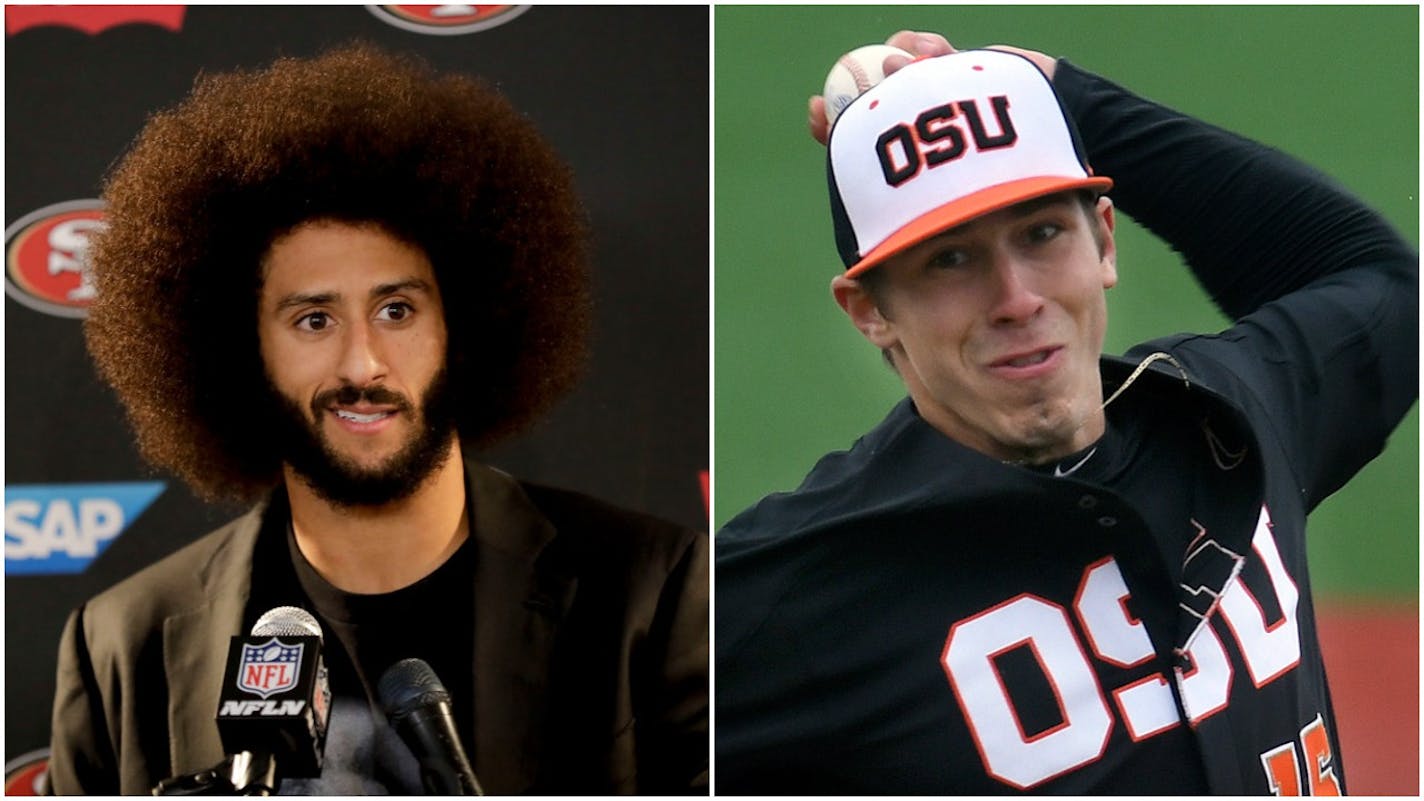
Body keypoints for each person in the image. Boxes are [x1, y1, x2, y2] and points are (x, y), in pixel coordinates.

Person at [715, 31, 1416, 794]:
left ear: (1104, 241)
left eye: (1043, 233)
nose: (1017, 298)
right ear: (870, 310)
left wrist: (1060, 93)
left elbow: (1379, 283)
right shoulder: (788, 591)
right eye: (949, 259)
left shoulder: (1227, 417)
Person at [44, 44, 708, 795]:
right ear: (236, 347)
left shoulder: (654, 594)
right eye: (313, 319)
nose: (362, 364)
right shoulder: (118, 649)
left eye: (397, 310)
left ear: (464, 323)